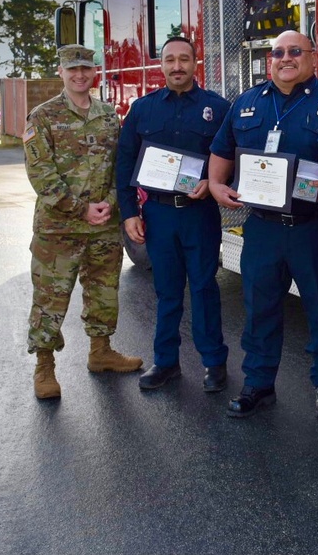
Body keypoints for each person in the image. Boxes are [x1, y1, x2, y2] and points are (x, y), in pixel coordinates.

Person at [208, 30, 318, 419]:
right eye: (277, 52)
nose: (285, 58)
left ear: (313, 57)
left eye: (295, 51)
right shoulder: (247, 102)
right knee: (260, 308)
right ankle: (258, 383)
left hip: (313, 226)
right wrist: (217, 185)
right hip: (263, 228)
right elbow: (221, 150)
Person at [23, 44, 143, 400]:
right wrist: (80, 209)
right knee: (50, 298)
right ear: (60, 72)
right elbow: (40, 174)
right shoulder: (42, 116)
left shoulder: (109, 115)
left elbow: (121, 165)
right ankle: (44, 366)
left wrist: (108, 203)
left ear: (94, 73)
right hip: (58, 227)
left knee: (104, 290)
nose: (79, 75)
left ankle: (101, 351)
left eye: (86, 69)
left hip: (104, 224)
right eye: (72, 69)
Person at [116, 36, 230, 392]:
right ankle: (165, 363)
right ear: (161, 65)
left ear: (195, 63)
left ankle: (214, 363)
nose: (177, 66)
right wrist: (129, 212)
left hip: (200, 214)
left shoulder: (217, 108)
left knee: (204, 287)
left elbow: (232, 158)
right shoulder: (143, 109)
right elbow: (124, 163)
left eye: (184, 59)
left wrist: (212, 184)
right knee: (166, 292)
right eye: (170, 60)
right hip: (159, 214)